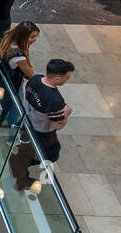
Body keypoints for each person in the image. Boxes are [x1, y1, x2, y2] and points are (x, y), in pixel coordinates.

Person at [9, 58, 75, 190]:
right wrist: (67, 112)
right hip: (42, 133)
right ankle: (21, 170)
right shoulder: (54, 100)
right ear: (57, 79)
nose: (67, 80)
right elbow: (59, 125)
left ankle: (20, 163)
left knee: (32, 150)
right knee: (51, 154)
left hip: (27, 122)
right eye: (66, 78)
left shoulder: (35, 80)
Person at [0, 21, 39, 140]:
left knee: (1, 100)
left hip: (1, 79)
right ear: (22, 35)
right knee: (16, 109)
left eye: (36, 36)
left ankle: (0, 119)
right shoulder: (19, 56)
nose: (35, 39)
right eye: (32, 37)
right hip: (12, 84)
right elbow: (30, 74)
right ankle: (12, 138)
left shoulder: (7, 39)